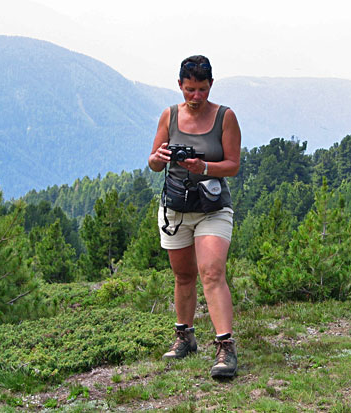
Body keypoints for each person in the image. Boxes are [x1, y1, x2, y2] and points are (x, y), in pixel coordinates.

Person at [148, 55, 241, 378]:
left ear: (210, 85)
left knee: (212, 272)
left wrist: (203, 167)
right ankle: (184, 337)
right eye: (190, 89)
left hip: (213, 207)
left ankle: (225, 347)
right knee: (183, 275)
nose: (196, 96)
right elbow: (154, 163)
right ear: (180, 86)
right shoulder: (169, 116)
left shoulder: (225, 117)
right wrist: (159, 157)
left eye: (202, 89)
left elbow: (233, 165)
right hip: (175, 207)